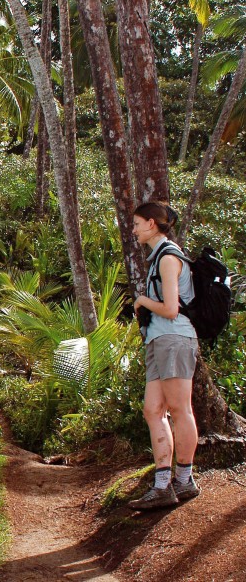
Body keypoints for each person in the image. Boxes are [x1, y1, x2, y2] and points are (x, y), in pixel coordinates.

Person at [128, 202, 201, 510]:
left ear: (152, 225)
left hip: (175, 337)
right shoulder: (158, 256)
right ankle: (162, 485)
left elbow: (172, 309)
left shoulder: (169, 257)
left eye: (137, 223)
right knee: (152, 409)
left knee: (179, 408)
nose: (133, 229)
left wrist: (142, 300)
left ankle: (184, 480)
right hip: (160, 340)